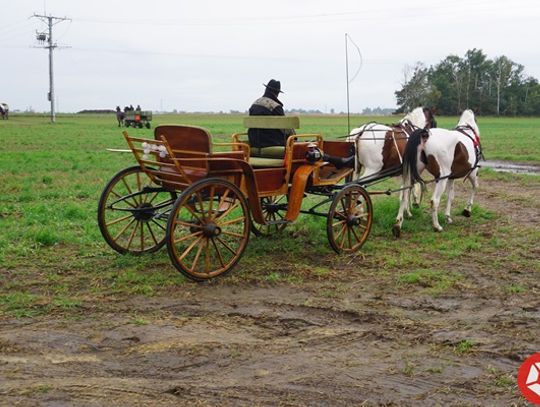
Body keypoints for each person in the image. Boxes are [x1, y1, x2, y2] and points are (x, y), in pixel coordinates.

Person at [248, 79, 353, 168]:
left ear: (266, 90)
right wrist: (294, 138)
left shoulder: (254, 104)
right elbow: (286, 129)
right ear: (277, 93)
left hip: (254, 144)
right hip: (273, 143)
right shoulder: (275, 107)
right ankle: (337, 161)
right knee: (310, 147)